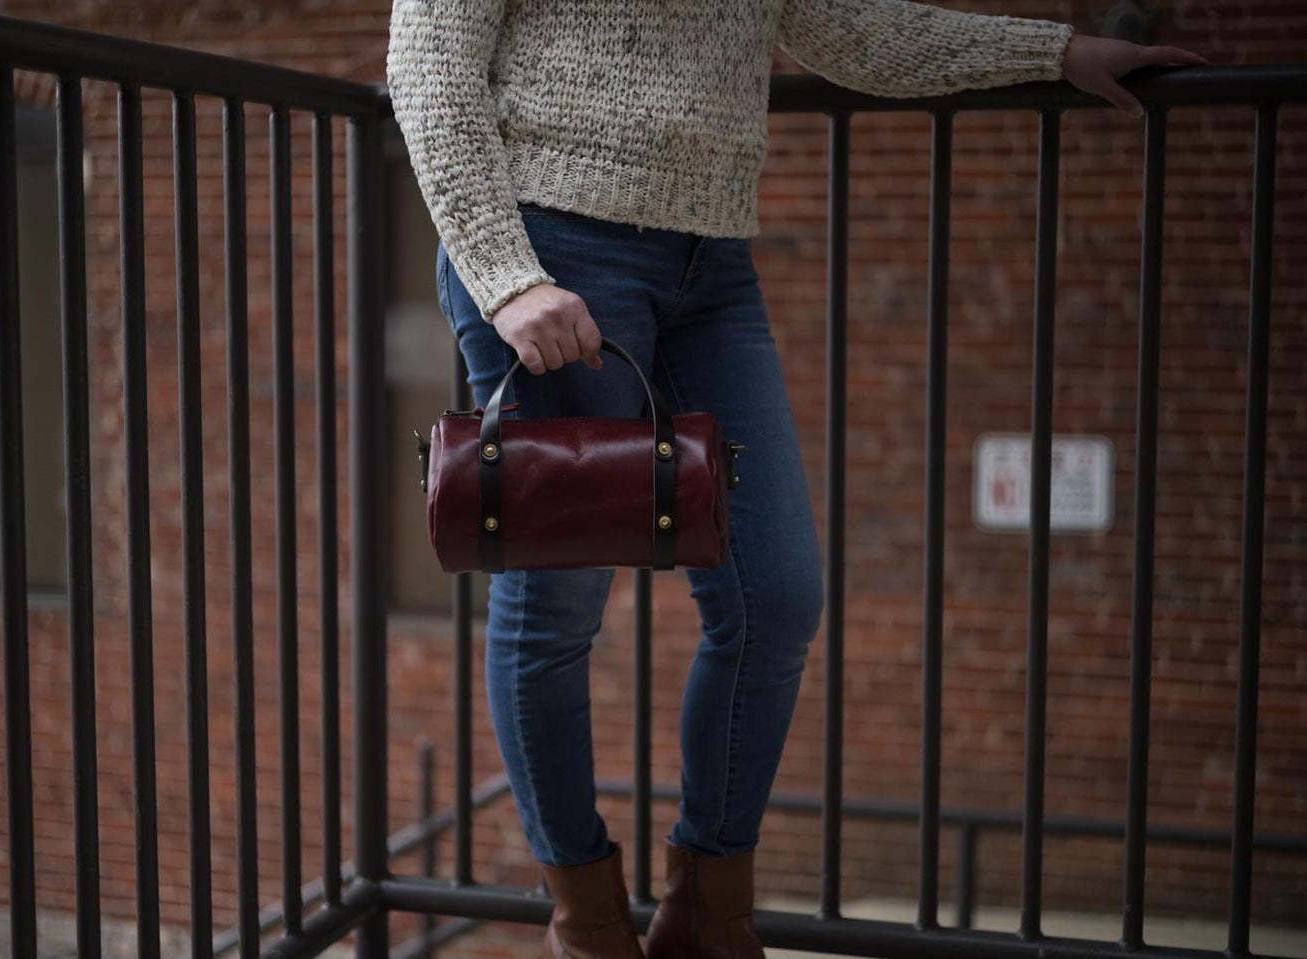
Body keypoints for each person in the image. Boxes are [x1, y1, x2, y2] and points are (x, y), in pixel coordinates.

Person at [386, 3, 1205, 957]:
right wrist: (502, 272)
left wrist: (1055, 52)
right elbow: (429, 63)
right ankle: (589, 921)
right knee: (555, 605)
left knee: (775, 595)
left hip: (709, 262)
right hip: (555, 251)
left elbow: (848, 27)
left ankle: (706, 909)